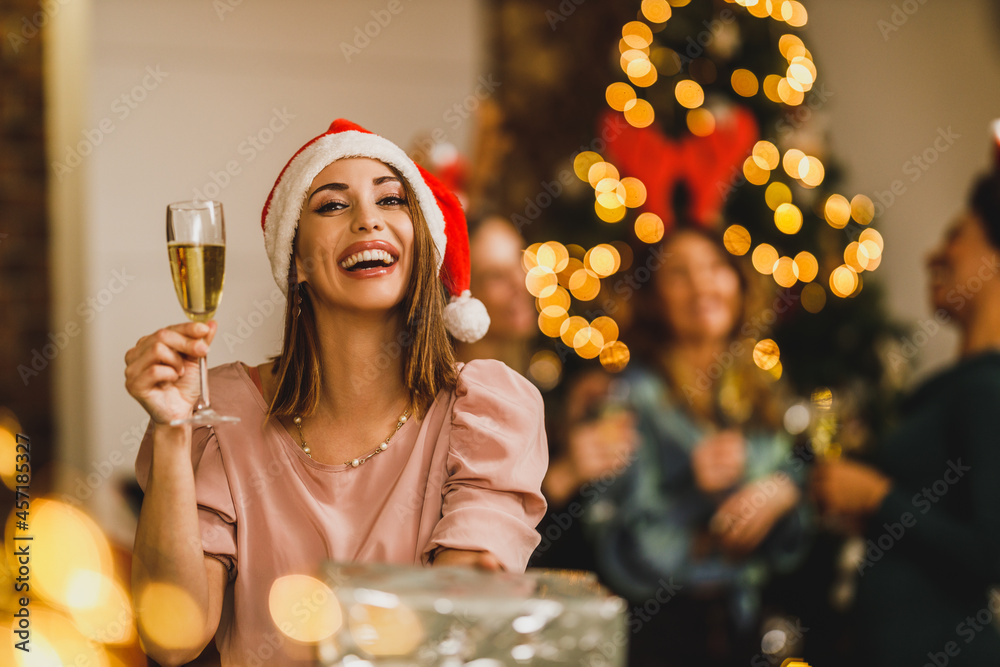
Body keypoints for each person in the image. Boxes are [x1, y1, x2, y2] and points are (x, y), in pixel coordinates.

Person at [125, 119, 548, 666]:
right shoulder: (225, 412)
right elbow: (172, 638)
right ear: (295, 259)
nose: (367, 218)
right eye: (331, 206)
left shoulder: (486, 411)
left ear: (421, 246)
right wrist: (170, 430)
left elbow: (451, 622)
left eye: (392, 200)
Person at [543, 226, 809, 666]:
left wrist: (781, 492)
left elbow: (798, 528)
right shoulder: (625, 399)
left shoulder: (757, 391)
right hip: (660, 640)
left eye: (714, 267)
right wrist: (704, 511)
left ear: (738, 283)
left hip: (743, 632)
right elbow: (631, 552)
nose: (702, 284)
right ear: (655, 299)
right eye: (680, 274)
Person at [812, 169, 1000, 666]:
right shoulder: (958, 383)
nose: (932, 256)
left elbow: (991, 551)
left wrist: (876, 497)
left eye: (956, 235)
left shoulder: (989, 387)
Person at [454, 216, 537, 375]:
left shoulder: (520, 371)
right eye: (495, 276)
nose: (520, 282)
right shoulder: (464, 393)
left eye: (521, 260)